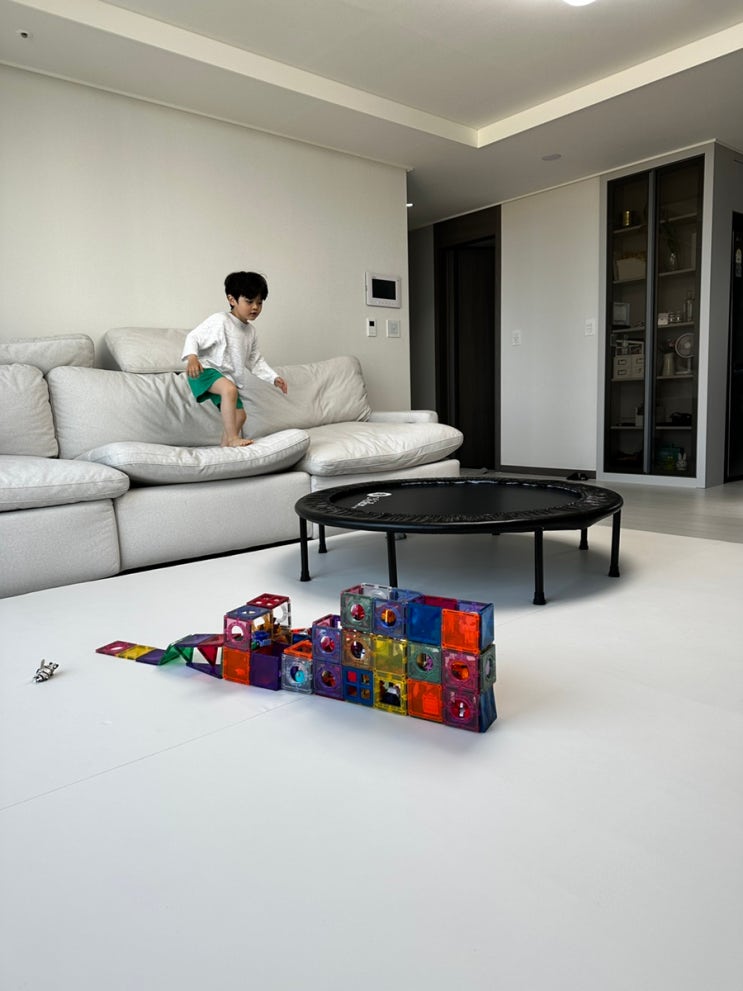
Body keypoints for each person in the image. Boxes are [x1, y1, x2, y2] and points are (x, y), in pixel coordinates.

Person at [181, 271, 288, 447]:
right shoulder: (220, 320)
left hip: (225, 378)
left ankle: (225, 449)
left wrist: (273, 377)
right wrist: (192, 358)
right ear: (232, 300)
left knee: (240, 416)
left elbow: (255, 360)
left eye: (259, 302)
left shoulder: (250, 332)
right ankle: (233, 438)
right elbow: (194, 337)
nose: (255, 307)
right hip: (204, 371)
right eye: (249, 301)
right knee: (229, 390)